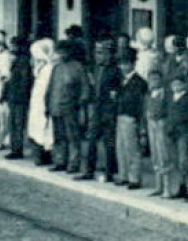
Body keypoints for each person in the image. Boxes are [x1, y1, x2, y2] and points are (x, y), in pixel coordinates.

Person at [78, 40, 122, 182]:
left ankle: (109, 172)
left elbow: (115, 93)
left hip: (108, 110)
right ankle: (88, 171)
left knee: (108, 142)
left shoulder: (115, 70)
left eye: (102, 53)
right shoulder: (95, 69)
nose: (99, 56)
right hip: (96, 108)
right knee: (91, 140)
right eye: (97, 53)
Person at [48, 39, 89, 173]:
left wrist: (82, 104)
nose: (60, 54)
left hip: (71, 107)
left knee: (72, 136)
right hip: (56, 106)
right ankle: (60, 160)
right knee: (58, 136)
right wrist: (47, 104)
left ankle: (73, 163)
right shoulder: (57, 68)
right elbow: (51, 87)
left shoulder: (77, 67)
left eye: (63, 52)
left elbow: (85, 88)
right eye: (59, 52)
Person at [116, 52, 148, 189]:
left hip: (131, 117)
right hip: (121, 115)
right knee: (121, 148)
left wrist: (140, 123)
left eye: (126, 64)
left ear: (133, 64)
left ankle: (134, 178)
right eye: (122, 64)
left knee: (132, 149)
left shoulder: (139, 82)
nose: (123, 67)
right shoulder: (121, 80)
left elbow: (140, 103)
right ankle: (124, 175)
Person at [165, 70, 188, 200]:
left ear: (184, 85)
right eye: (174, 84)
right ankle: (181, 185)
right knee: (175, 160)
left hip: (183, 132)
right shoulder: (171, 98)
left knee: (185, 161)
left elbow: (187, 116)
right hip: (172, 133)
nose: (176, 87)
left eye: (178, 84)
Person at [27, 37, 57, 164]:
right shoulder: (41, 67)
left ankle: (44, 155)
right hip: (37, 102)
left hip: (44, 102)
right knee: (36, 127)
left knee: (44, 128)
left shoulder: (49, 68)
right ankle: (39, 153)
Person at [3, 39, 34, 160]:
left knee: (17, 123)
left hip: (18, 98)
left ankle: (17, 148)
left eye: (14, 46)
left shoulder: (22, 62)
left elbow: (24, 82)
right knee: (14, 123)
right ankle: (15, 147)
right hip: (15, 96)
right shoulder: (17, 61)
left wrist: (18, 95)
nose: (11, 48)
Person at [144, 68, 171, 196]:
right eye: (151, 79)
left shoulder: (165, 94)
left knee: (163, 154)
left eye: (156, 79)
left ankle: (168, 187)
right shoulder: (149, 94)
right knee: (155, 154)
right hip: (151, 125)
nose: (153, 82)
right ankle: (158, 185)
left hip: (161, 124)